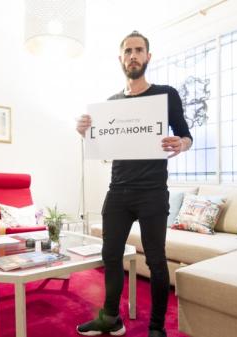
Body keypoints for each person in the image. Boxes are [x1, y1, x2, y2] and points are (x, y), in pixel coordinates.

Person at [75, 31, 193, 337]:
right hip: (118, 191)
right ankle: (111, 317)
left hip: (153, 192)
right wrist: (85, 131)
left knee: (156, 260)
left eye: (139, 50)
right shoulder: (111, 104)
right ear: (120, 59)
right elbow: (101, 146)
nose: (133, 55)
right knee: (110, 255)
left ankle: (157, 328)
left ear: (148, 57)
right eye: (128, 51)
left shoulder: (166, 95)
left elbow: (185, 134)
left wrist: (181, 143)